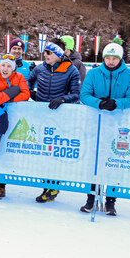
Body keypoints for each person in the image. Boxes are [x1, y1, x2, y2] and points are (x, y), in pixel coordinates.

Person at [79, 42, 130, 215]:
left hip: (119, 125)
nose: (111, 61)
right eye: (108, 58)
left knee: (115, 161)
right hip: (95, 122)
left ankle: (111, 201)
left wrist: (116, 103)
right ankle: (91, 198)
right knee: (94, 162)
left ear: (120, 59)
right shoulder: (94, 73)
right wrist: (99, 103)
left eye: (114, 58)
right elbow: (84, 95)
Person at [27, 41, 81, 203]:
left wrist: (63, 99)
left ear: (58, 54)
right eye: (44, 52)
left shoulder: (71, 70)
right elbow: (29, 81)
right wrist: (31, 92)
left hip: (60, 117)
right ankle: (47, 187)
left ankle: (54, 186)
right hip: (42, 115)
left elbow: (77, 94)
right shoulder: (40, 68)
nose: (45, 55)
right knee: (43, 152)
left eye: (48, 53)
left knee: (55, 153)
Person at [0, 54, 30, 199]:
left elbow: (26, 94)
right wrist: (11, 92)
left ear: (13, 68)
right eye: (3, 65)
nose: (5, 69)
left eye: (9, 66)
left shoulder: (19, 77)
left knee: (5, 152)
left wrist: (9, 99)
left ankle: (1, 186)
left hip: (13, 119)